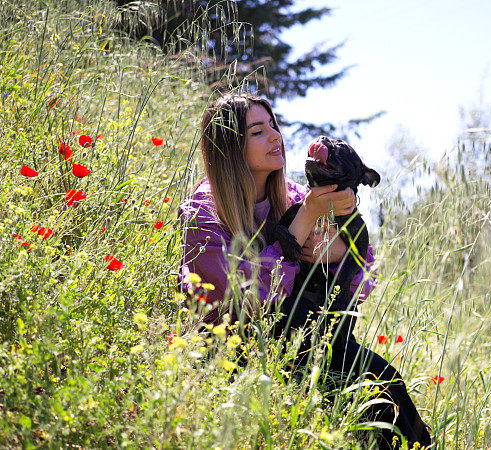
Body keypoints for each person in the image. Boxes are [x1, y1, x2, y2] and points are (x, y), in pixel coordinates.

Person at [178, 92, 432, 448]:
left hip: (310, 338)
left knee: (383, 383)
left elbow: (361, 272)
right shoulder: (203, 212)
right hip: (235, 353)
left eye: (273, 126)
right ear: (229, 147)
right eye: (257, 132)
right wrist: (307, 219)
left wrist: (335, 249)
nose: (275, 137)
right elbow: (237, 299)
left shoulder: (295, 194)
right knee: (339, 394)